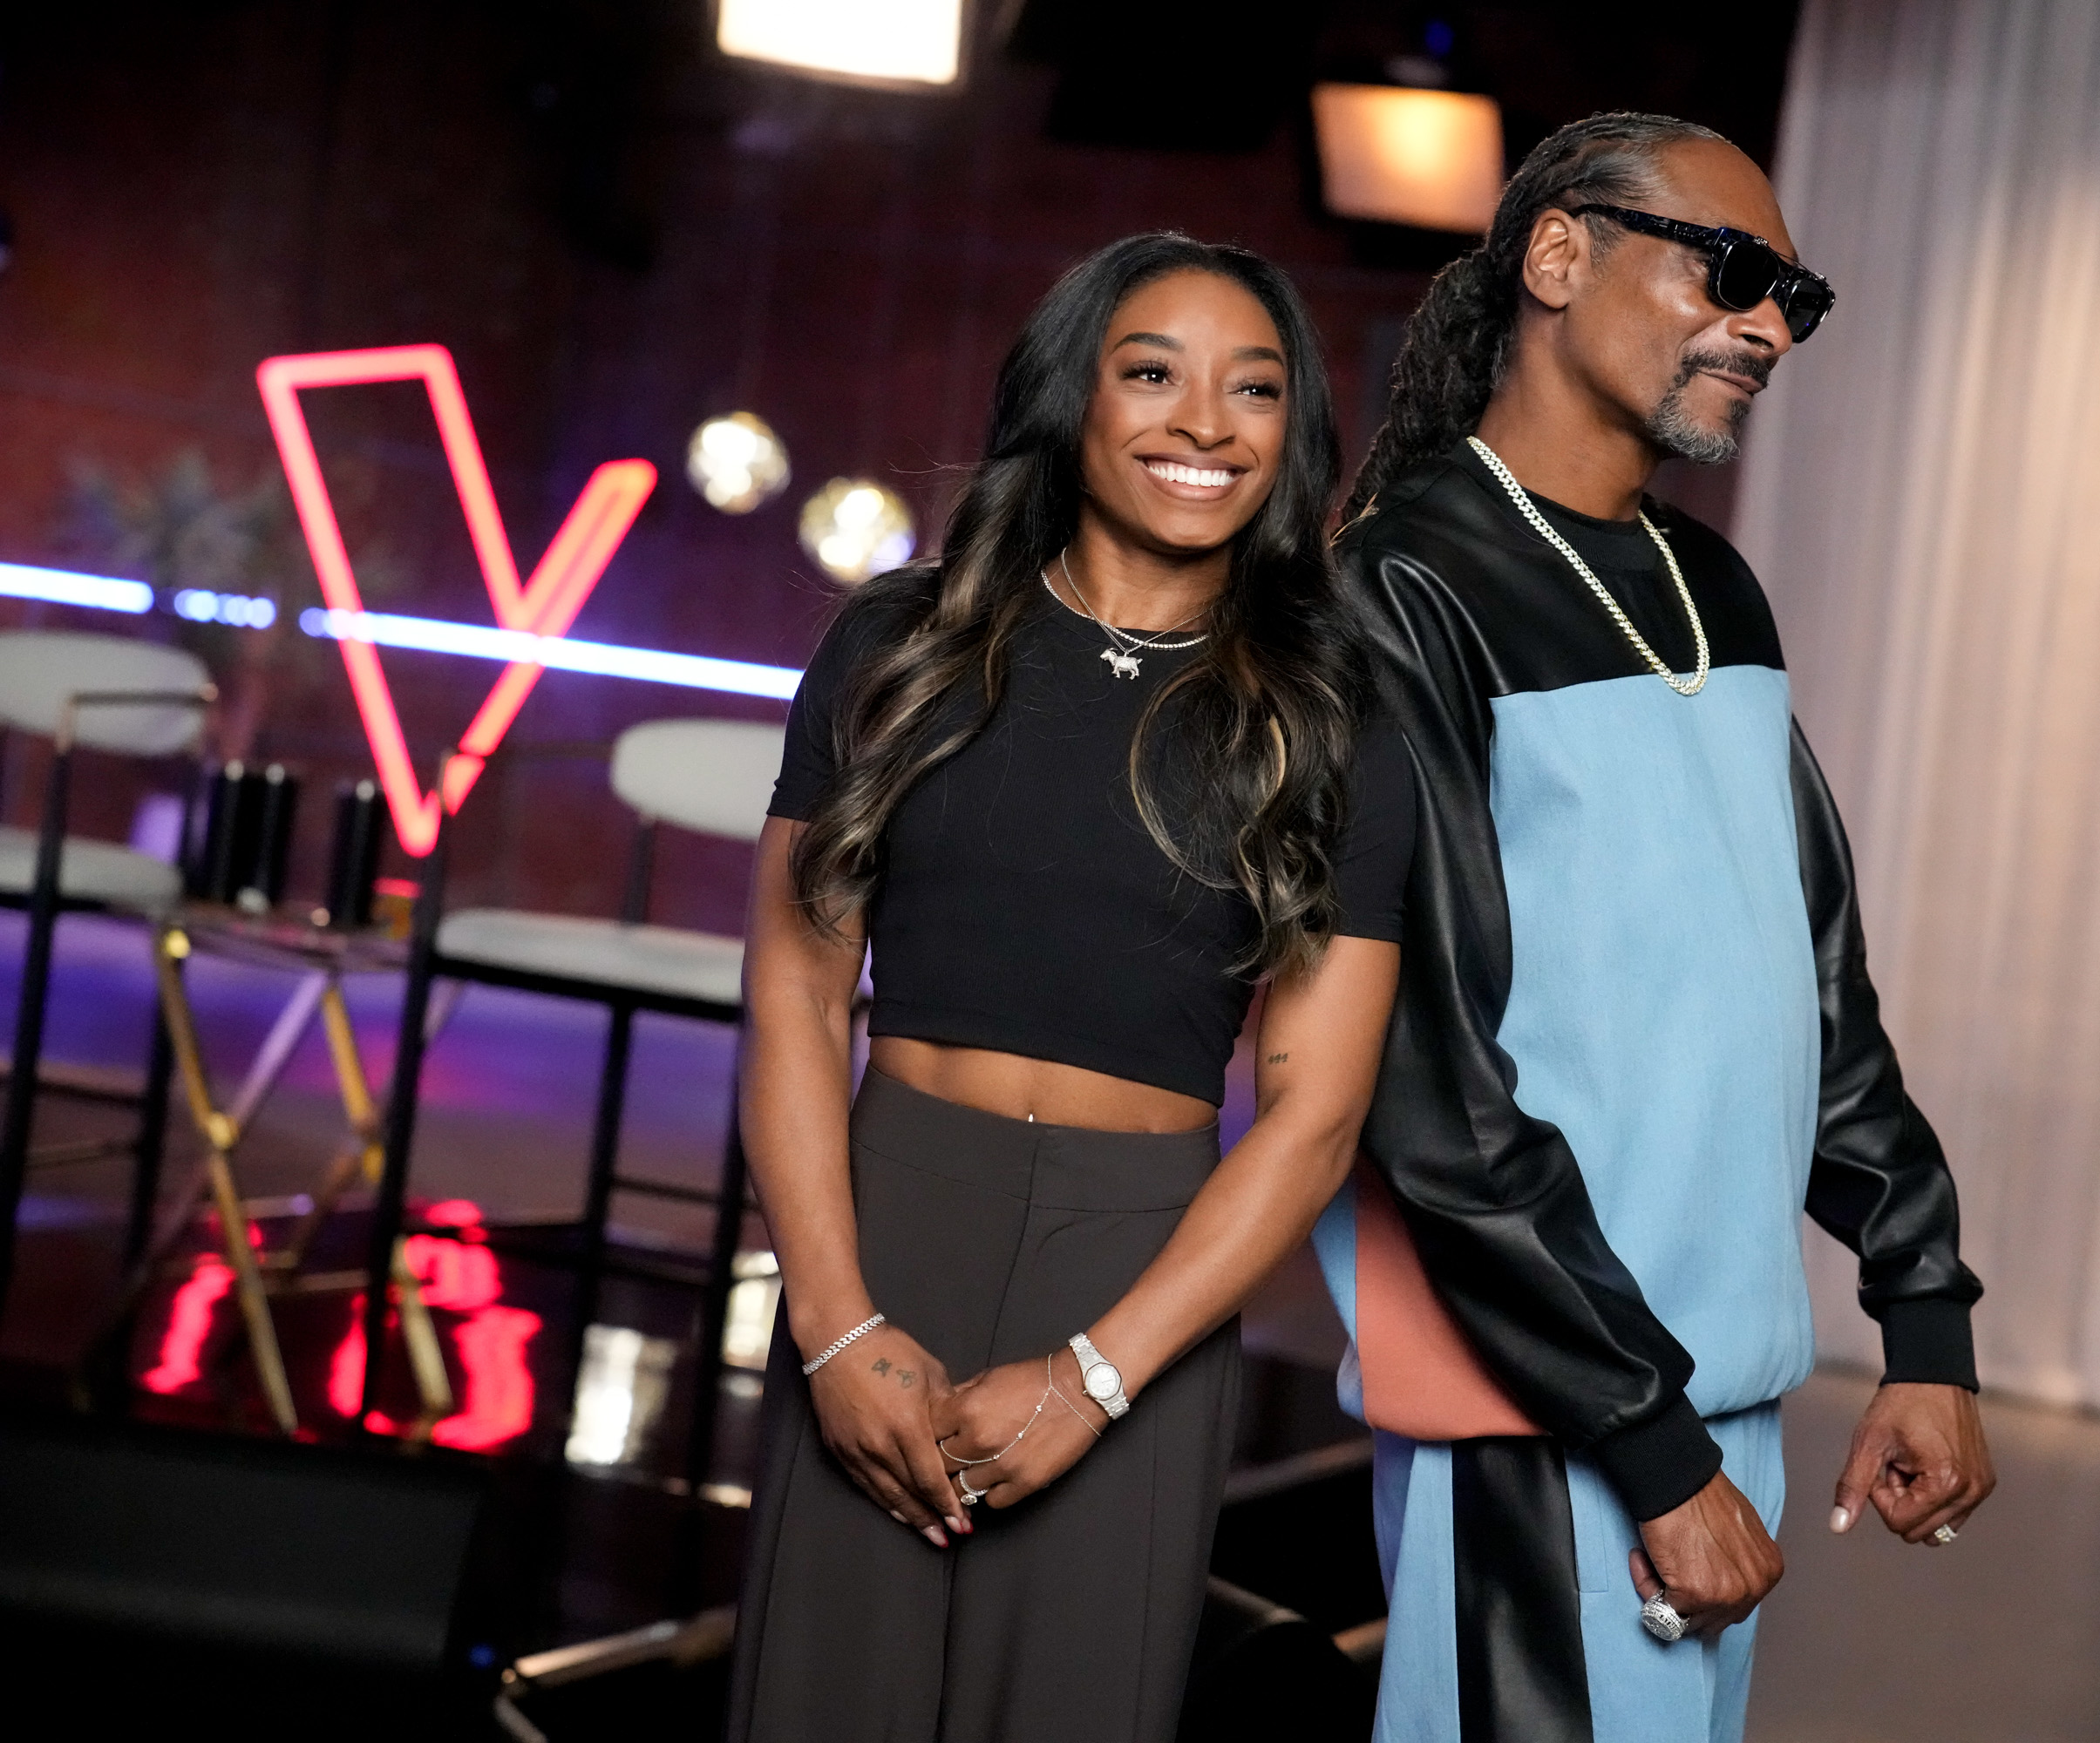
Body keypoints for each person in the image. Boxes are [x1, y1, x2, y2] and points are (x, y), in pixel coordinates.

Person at [1314, 113, 1996, 1740]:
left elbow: (1816, 993)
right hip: (1546, 1410)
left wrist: (1925, 1318)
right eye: (1735, 270)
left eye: (1797, 296)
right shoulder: (1402, 588)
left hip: (1710, 1400)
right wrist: (1649, 1445)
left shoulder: (1713, 588)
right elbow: (1429, 1083)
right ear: (1557, 255)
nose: (1769, 324)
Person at [728, 232, 1413, 1743]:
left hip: (1144, 1270)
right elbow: (791, 996)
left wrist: (1101, 1375)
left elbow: (1315, 1113)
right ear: (1075, 398)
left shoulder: (1334, 717)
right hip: (884, 1215)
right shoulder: (899, 645)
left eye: (1254, 389)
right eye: (1153, 373)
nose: (1204, 424)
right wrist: (833, 1323)